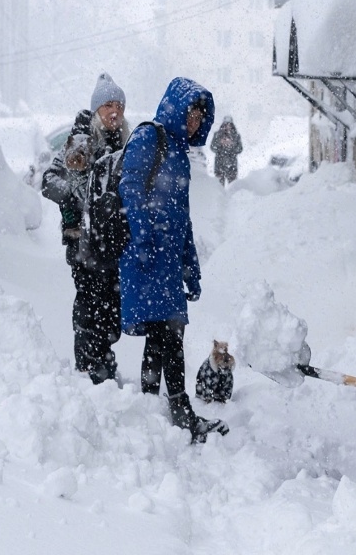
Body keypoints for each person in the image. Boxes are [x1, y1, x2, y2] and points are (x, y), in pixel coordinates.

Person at [119, 77, 229, 443]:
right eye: (191, 112)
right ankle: (177, 410)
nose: (196, 120)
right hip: (145, 258)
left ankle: (155, 408)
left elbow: (183, 218)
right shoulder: (149, 137)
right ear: (175, 108)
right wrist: (142, 236)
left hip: (166, 263)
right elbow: (130, 187)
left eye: (200, 115)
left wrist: (190, 266)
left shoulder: (180, 155)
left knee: (166, 334)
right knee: (166, 334)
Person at [41, 73, 129, 385]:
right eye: (108, 106)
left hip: (111, 243)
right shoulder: (81, 140)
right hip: (83, 244)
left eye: (118, 105)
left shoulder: (124, 143)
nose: (114, 112)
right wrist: (80, 192)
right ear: (96, 111)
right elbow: (49, 182)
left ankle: (102, 361)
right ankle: (90, 367)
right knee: (91, 305)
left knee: (110, 306)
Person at [210, 116, 243, 186]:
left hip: (232, 165)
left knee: (233, 186)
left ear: (232, 125)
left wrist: (232, 145)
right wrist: (220, 143)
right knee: (219, 187)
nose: (227, 126)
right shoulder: (217, 135)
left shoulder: (236, 136)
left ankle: (233, 197)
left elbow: (240, 149)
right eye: (226, 124)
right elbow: (212, 147)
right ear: (223, 125)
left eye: (229, 124)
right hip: (219, 164)